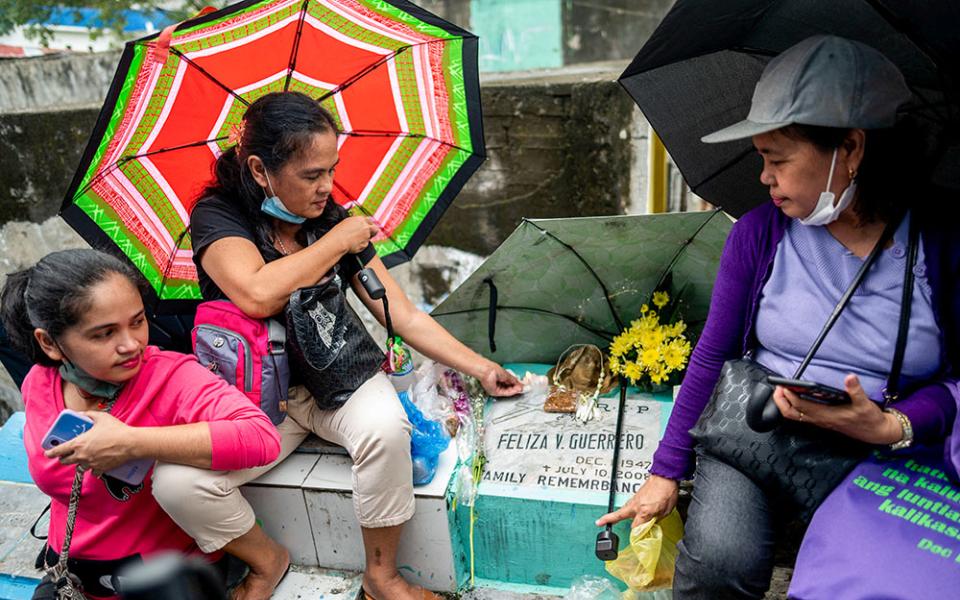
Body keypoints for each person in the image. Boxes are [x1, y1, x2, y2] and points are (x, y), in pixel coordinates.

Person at [597, 35, 960, 598]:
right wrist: (665, 471)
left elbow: (955, 381)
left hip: (882, 454)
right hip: (757, 435)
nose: (764, 177)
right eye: (762, 157)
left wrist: (895, 425)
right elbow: (712, 355)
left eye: (778, 159)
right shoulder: (760, 233)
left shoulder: (939, 244)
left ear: (851, 150)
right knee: (719, 564)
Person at [170, 90, 523, 600]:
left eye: (331, 169)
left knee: (385, 428)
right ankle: (267, 561)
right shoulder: (218, 216)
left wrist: (480, 366)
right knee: (178, 484)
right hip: (257, 399)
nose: (326, 187)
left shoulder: (331, 218)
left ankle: (381, 577)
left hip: (338, 376)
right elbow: (255, 293)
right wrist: (338, 241)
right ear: (259, 169)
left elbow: (396, 310)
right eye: (311, 175)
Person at [0, 249, 283, 600]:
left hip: (166, 579)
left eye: (137, 321)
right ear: (50, 343)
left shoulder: (171, 376)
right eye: (104, 334)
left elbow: (259, 436)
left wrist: (133, 442)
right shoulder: (40, 384)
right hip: (71, 575)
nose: (131, 344)